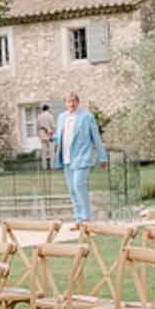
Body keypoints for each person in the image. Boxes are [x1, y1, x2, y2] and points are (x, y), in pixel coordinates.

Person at [55, 89, 107, 223]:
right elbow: (59, 136)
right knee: (72, 190)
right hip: (66, 159)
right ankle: (79, 220)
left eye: (73, 101)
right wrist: (52, 137)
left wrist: (103, 157)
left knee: (79, 185)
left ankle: (86, 218)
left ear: (78, 102)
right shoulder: (61, 117)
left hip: (82, 157)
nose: (71, 103)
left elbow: (96, 137)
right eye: (68, 101)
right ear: (65, 103)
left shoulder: (87, 116)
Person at [36, 103, 56, 171]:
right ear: (48, 109)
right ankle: (52, 166)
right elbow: (53, 126)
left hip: (42, 136)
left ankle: (44, 167)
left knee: (44, 152)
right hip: (49, 135)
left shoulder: (39, 116)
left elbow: (38, 127)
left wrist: (39, 135)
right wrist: (54, 132)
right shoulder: (50, 116)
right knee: (51, 152)